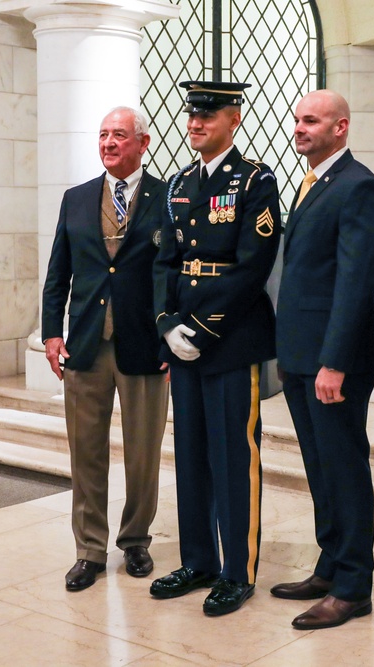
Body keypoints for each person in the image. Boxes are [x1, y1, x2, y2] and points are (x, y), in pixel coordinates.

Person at [149, 80, 281, 617]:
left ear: (235, 118)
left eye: (209, 114)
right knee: (193, 457)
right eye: (192, 114)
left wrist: (200, 329)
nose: (196, 123)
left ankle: (236, 571)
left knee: (232, 458)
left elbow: (253, 267)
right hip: (182, 340)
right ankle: (199, 560)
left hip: (229, 340)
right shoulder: (180, 183)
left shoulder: (254, 180)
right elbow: (164, 263)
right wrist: (166, 325)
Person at [271, 90, 374, 630]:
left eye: (311, 121)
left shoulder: (358, 186)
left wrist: (334, 362)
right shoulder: (313, 182)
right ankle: (328, 564)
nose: (300, 128)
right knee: (319, 468)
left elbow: (355, 282)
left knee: (343, 468)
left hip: (333, 361)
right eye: (297, 120)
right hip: (300, 354)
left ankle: (352, 585)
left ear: (341, 127)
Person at [41, 106, 170, 592]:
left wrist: (171, 336)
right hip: (87, 345)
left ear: (143, 142)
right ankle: (89, 550)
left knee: (142, 454)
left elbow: (174, 271)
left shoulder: (168, 196)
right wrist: (53, 331)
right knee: (86, 453)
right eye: (103, 135)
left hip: (145, 345)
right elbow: (59, 272)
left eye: (119, 135)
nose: (109, 142)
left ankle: (135, 539)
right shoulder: (76, 200)